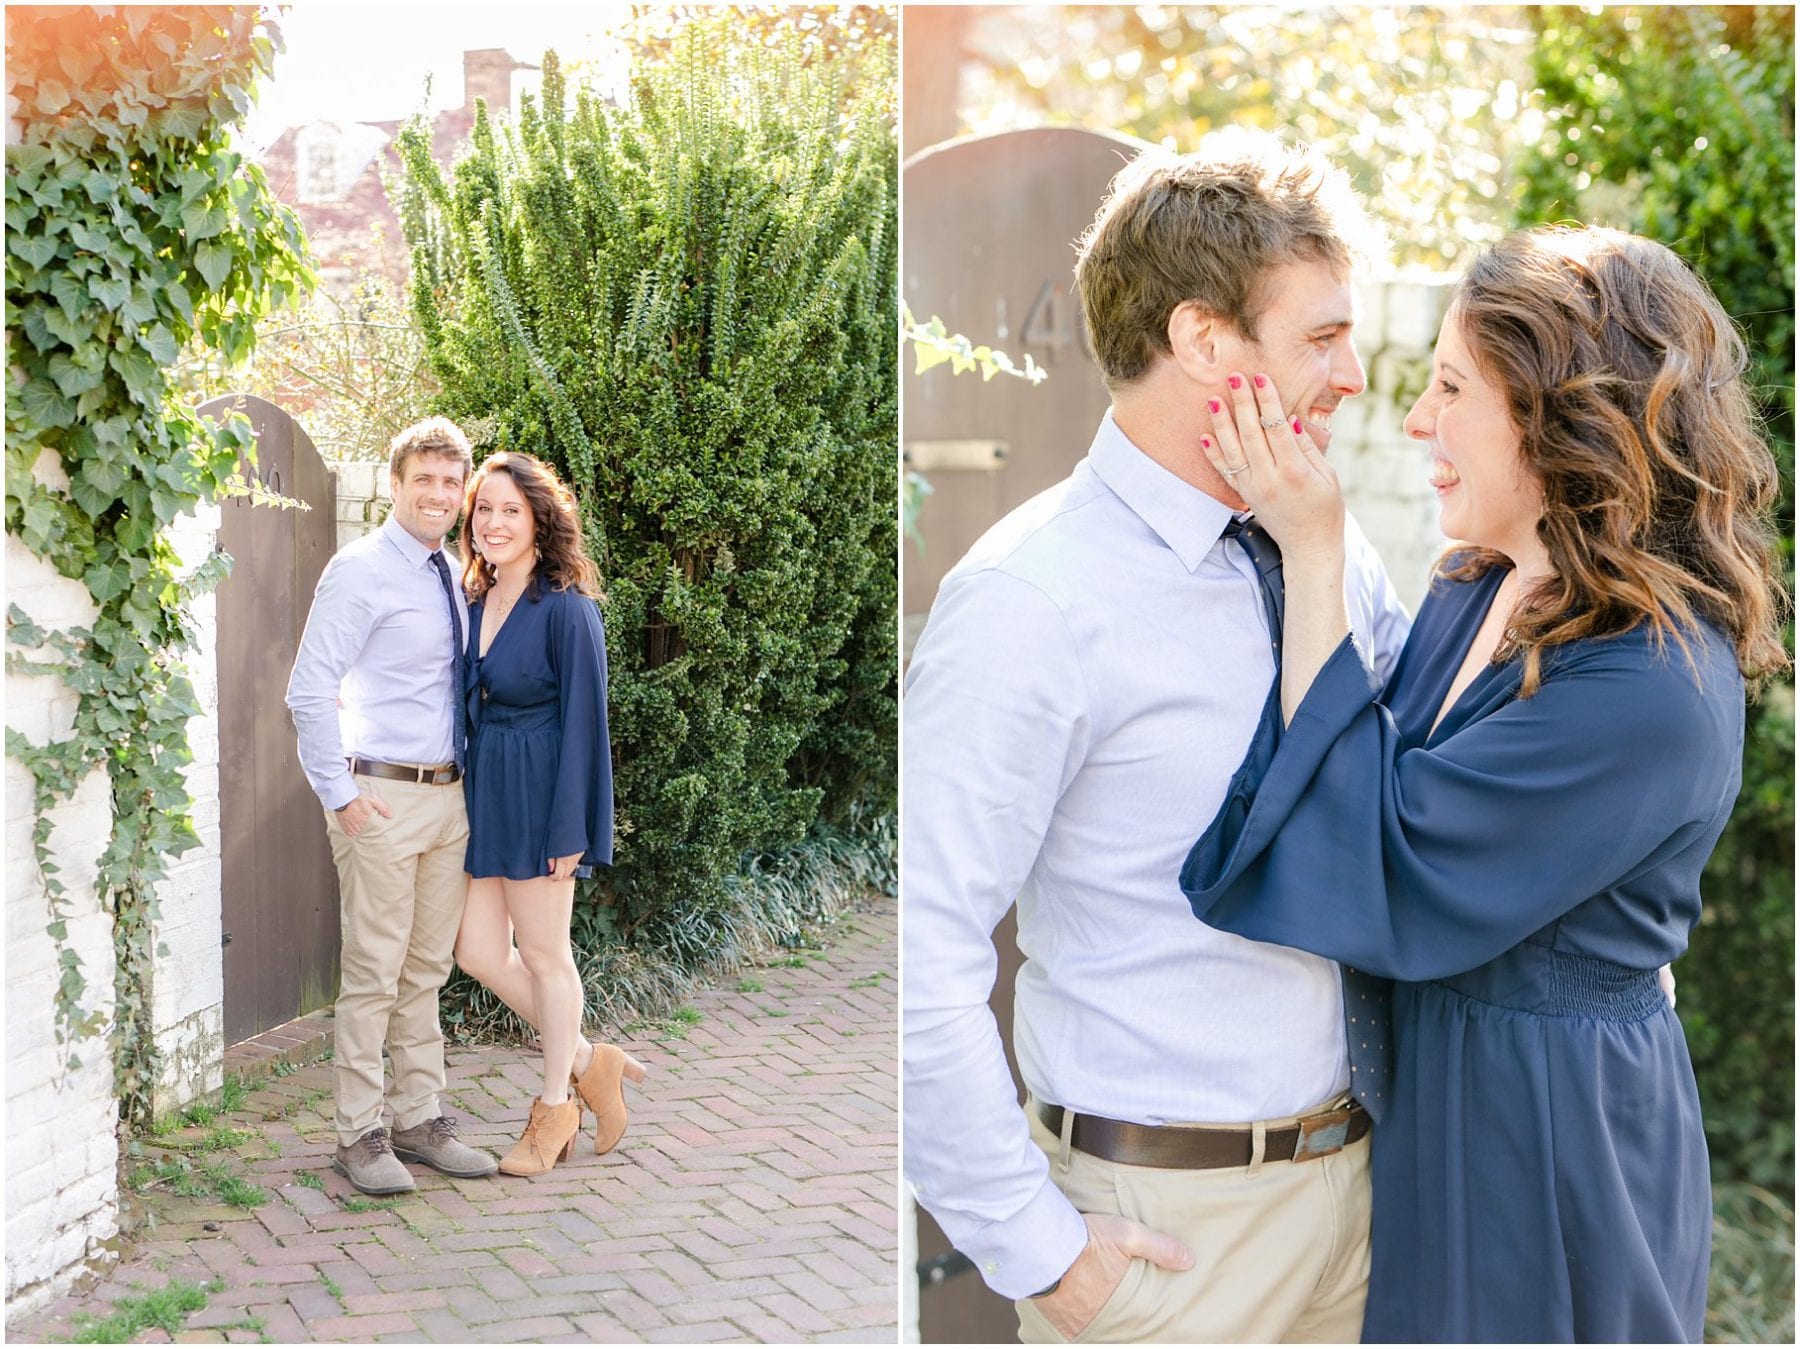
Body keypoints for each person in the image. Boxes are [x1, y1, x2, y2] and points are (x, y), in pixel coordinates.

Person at [1182, 225, 1789, 1342]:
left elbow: (1385, 864)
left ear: (1561, 417)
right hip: (1447, 1110)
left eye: (1452, 387)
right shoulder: (1476, 583)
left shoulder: (1650, 685)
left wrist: (1314, 548)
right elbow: (1360, 781)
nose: (1416, 419)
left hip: (1550, 1147)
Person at [903, 130, 1413, 1343]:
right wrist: (1037, 1250)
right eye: (1320, 338)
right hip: (1169, 1238)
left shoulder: (1333, 547)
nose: (1351, 376)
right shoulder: (1033, 600)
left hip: (1361, 1199)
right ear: (1201, 339)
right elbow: (922, 949)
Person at [286, 417, 499, 1195]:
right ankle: (359, 1133)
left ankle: (420, 1118)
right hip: (379, 795)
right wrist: (341, 796)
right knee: (374, 972)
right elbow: (308, 689)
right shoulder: (361, 570)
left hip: (449, 800)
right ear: (397, 483)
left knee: (425, 970)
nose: (440, 495)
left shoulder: (452, 570)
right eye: (425, 481)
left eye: (451, 482)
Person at [449, 451, 642, 1178]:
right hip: (488, 787)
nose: (494, 523)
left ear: (539, 519)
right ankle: (595, 1061)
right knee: (475, 951)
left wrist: (573, 827)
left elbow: (587, 725)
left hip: (541, 793)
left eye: (510, 510)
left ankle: (555, 1106)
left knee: (545, 955)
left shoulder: (566, 608)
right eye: (484, 510)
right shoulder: (474, 598)